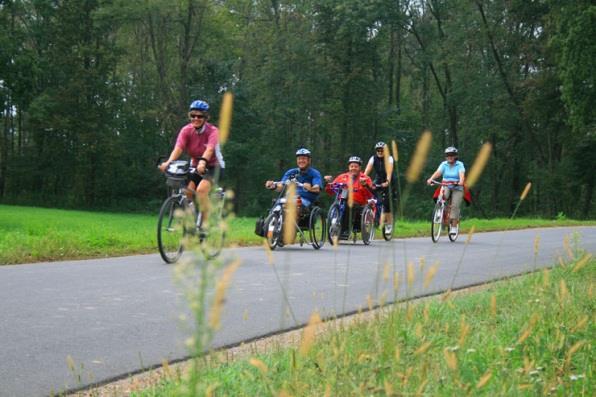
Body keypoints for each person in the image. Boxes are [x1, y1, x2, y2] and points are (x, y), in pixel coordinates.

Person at [159, 99, 222, 228]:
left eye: (200, 116)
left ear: (206, 117)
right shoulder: (186, 130)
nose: (196, 118)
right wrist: (168, 162)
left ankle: (206, 223)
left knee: (201, 191)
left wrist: (203, 162)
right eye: (193, 115)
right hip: (195, 165)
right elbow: (178, 148)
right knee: (188, 192)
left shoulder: (213, 131)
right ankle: (193, 218)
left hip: (214, 166)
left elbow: (209, 149)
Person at [324, 156, 374, 234]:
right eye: (351, 166)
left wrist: (365, 185)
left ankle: (345, 229)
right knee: (337, 203)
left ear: (360, 167)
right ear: (349, 167)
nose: (353, 168)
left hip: (358, 203)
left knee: (350, 204)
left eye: (356, 166)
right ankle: (333, 224)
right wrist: (327, 183)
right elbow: (330, 191)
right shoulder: (342, 177)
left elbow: (371, 194)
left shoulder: (365, 178)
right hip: (341, 200)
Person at [426, 146, 465, 235]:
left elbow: (461, 175)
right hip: (446, 185)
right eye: (448, 155)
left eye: (452, 155)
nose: (450, 157)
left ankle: (454, 227)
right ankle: (440, 211)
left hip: (457, 187)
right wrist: (431, 179)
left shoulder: (460, 164)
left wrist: (460, 182)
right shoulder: (444, 164)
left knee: (455, 206)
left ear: (455, 156)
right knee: (442, 197)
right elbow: (438, 172)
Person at [364, 141, 396, 234]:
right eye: (378, 150)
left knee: (387, 203)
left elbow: (389, 172)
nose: (380, 152)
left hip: (389, 181)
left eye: (382, 150)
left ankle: (389, 224)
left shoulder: (389, 158)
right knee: (370, 192)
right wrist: (362, 179)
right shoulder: (373, 158)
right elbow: (366, 172)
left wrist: (387, 182)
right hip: (378, 179)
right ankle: (372, 215)